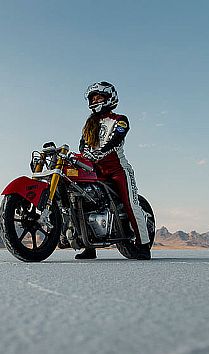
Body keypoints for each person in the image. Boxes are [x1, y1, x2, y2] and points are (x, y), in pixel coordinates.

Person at [76, 81, 151, 260]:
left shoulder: (120, 119)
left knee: (131, 204)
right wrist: (85, 155)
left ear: (110, 98)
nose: (95, 100)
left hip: (118, 169)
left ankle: (144, 245)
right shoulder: (89, 125)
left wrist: (101, 152)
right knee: (83, 203)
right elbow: (82, 145)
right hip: (95, 170)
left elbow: (117, 138)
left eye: (99, 97)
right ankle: (89, 246)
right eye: (92, 98)